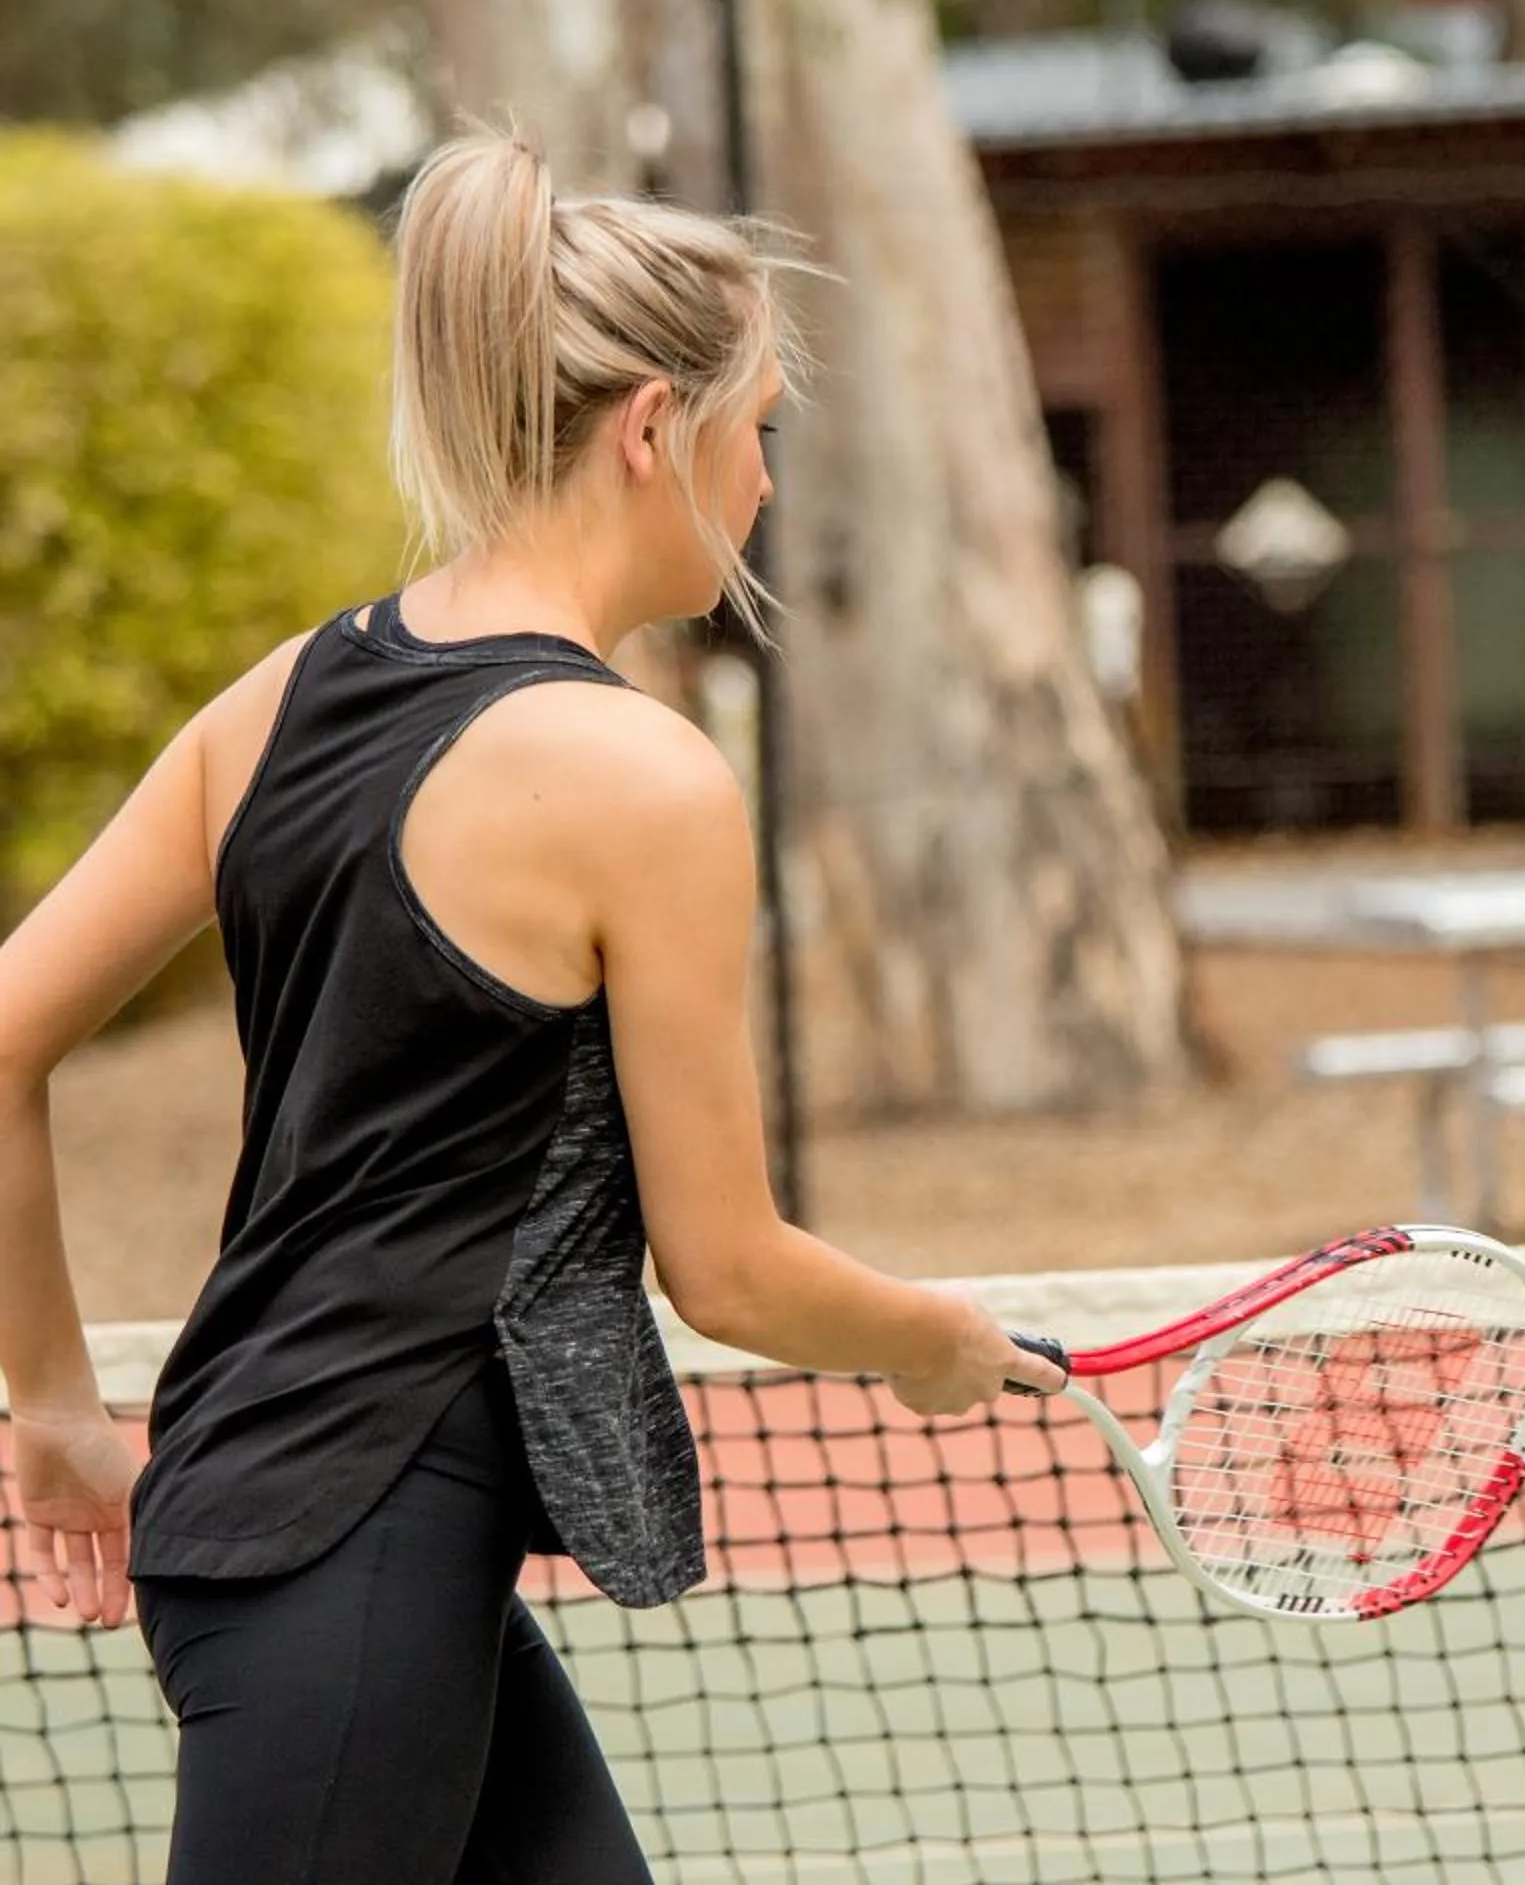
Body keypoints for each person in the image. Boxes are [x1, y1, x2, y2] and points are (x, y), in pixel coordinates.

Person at [0, 130, 1071, 1883]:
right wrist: (927, 1339)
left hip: (300, 1526)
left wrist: (50, 1405)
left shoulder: (289, 689)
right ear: (656, 429)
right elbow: (722, 1267)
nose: (768, 487)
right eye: (763, 430)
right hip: (341, 1562)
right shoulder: (637, 778)